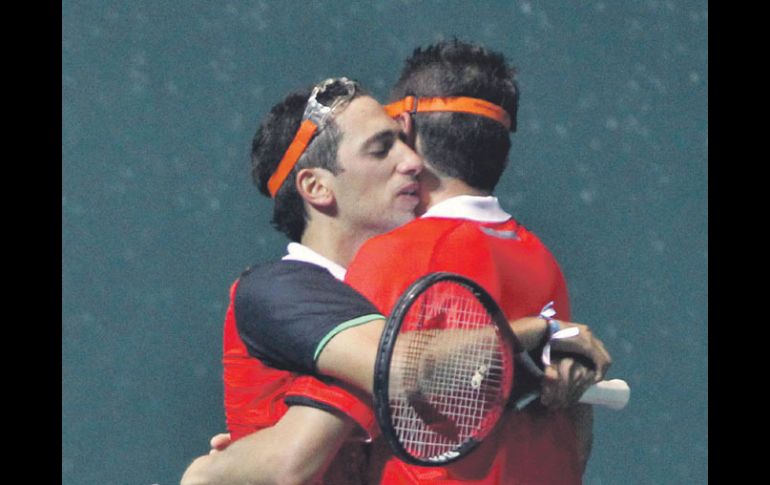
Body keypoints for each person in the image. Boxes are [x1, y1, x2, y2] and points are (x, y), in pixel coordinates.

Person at [181, 43, 610, 484]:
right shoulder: (278, 289)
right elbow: (399, 372)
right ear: (316, 188)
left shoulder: (393, 279)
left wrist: (554, 373)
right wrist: (540, 334)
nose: (412, 162)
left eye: (404, 141)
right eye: (382, 149)